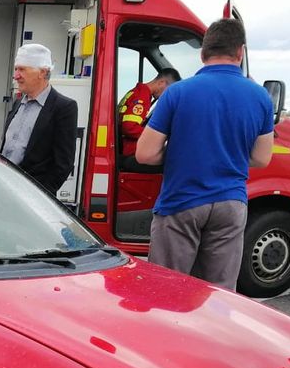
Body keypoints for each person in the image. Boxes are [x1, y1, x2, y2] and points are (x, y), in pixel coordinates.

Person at [135, 18, 274, 291]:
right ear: (240, 52)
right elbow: (261, 158)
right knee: (219, 295)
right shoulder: (260, 97)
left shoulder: (177, 92)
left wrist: (181, 153)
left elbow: (145, 154)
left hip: (181, 201)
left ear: (202, 54)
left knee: (166, 289)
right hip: (230, 203)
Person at [0, 43, 78, 193]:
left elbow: (63, 164)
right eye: (16, 69)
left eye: (22, 69)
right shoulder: (18, 103)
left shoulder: (64, 107)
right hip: (4, 187)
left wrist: (39, 196)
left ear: (42, 72)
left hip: (32, 196)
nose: (16, 75)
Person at [117, 68, 181, 171]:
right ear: (161, 83)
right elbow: (129, 127)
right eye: (169, 91)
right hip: (131, 152)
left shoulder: (136, 92)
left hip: (126, 149)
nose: (167, 95)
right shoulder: (142, 96)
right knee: (173, 164)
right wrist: (157, 136)